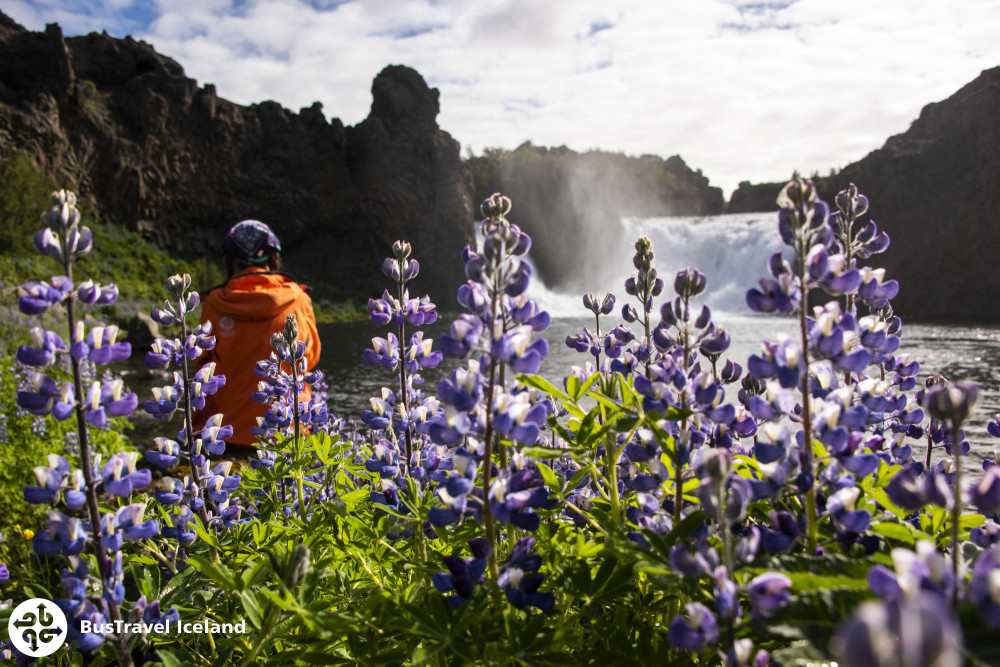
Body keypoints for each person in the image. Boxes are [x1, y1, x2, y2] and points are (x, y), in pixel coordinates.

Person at [194, 220, 321, 454]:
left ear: (231, 260)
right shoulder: (298, 299)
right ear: (273, 258)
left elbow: (200, 363)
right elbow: (309, 359)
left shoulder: (213, 304)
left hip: (223, 435)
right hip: (286, 431)